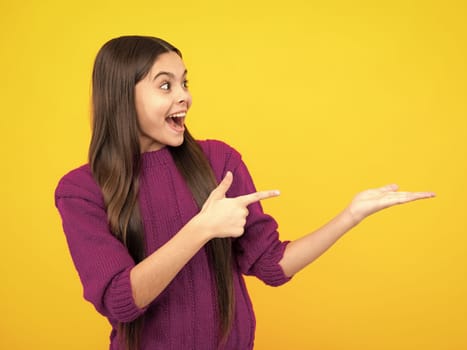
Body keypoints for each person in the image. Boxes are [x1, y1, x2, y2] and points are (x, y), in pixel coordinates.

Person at [54, 35, 435, 350]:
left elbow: (272, 266)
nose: (184, 96)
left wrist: (349, 216)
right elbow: (121, 301)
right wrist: (201, 229)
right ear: (121, 96)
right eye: (165, 85)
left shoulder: (218, 161)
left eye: (185, 83)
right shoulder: (80, 190)